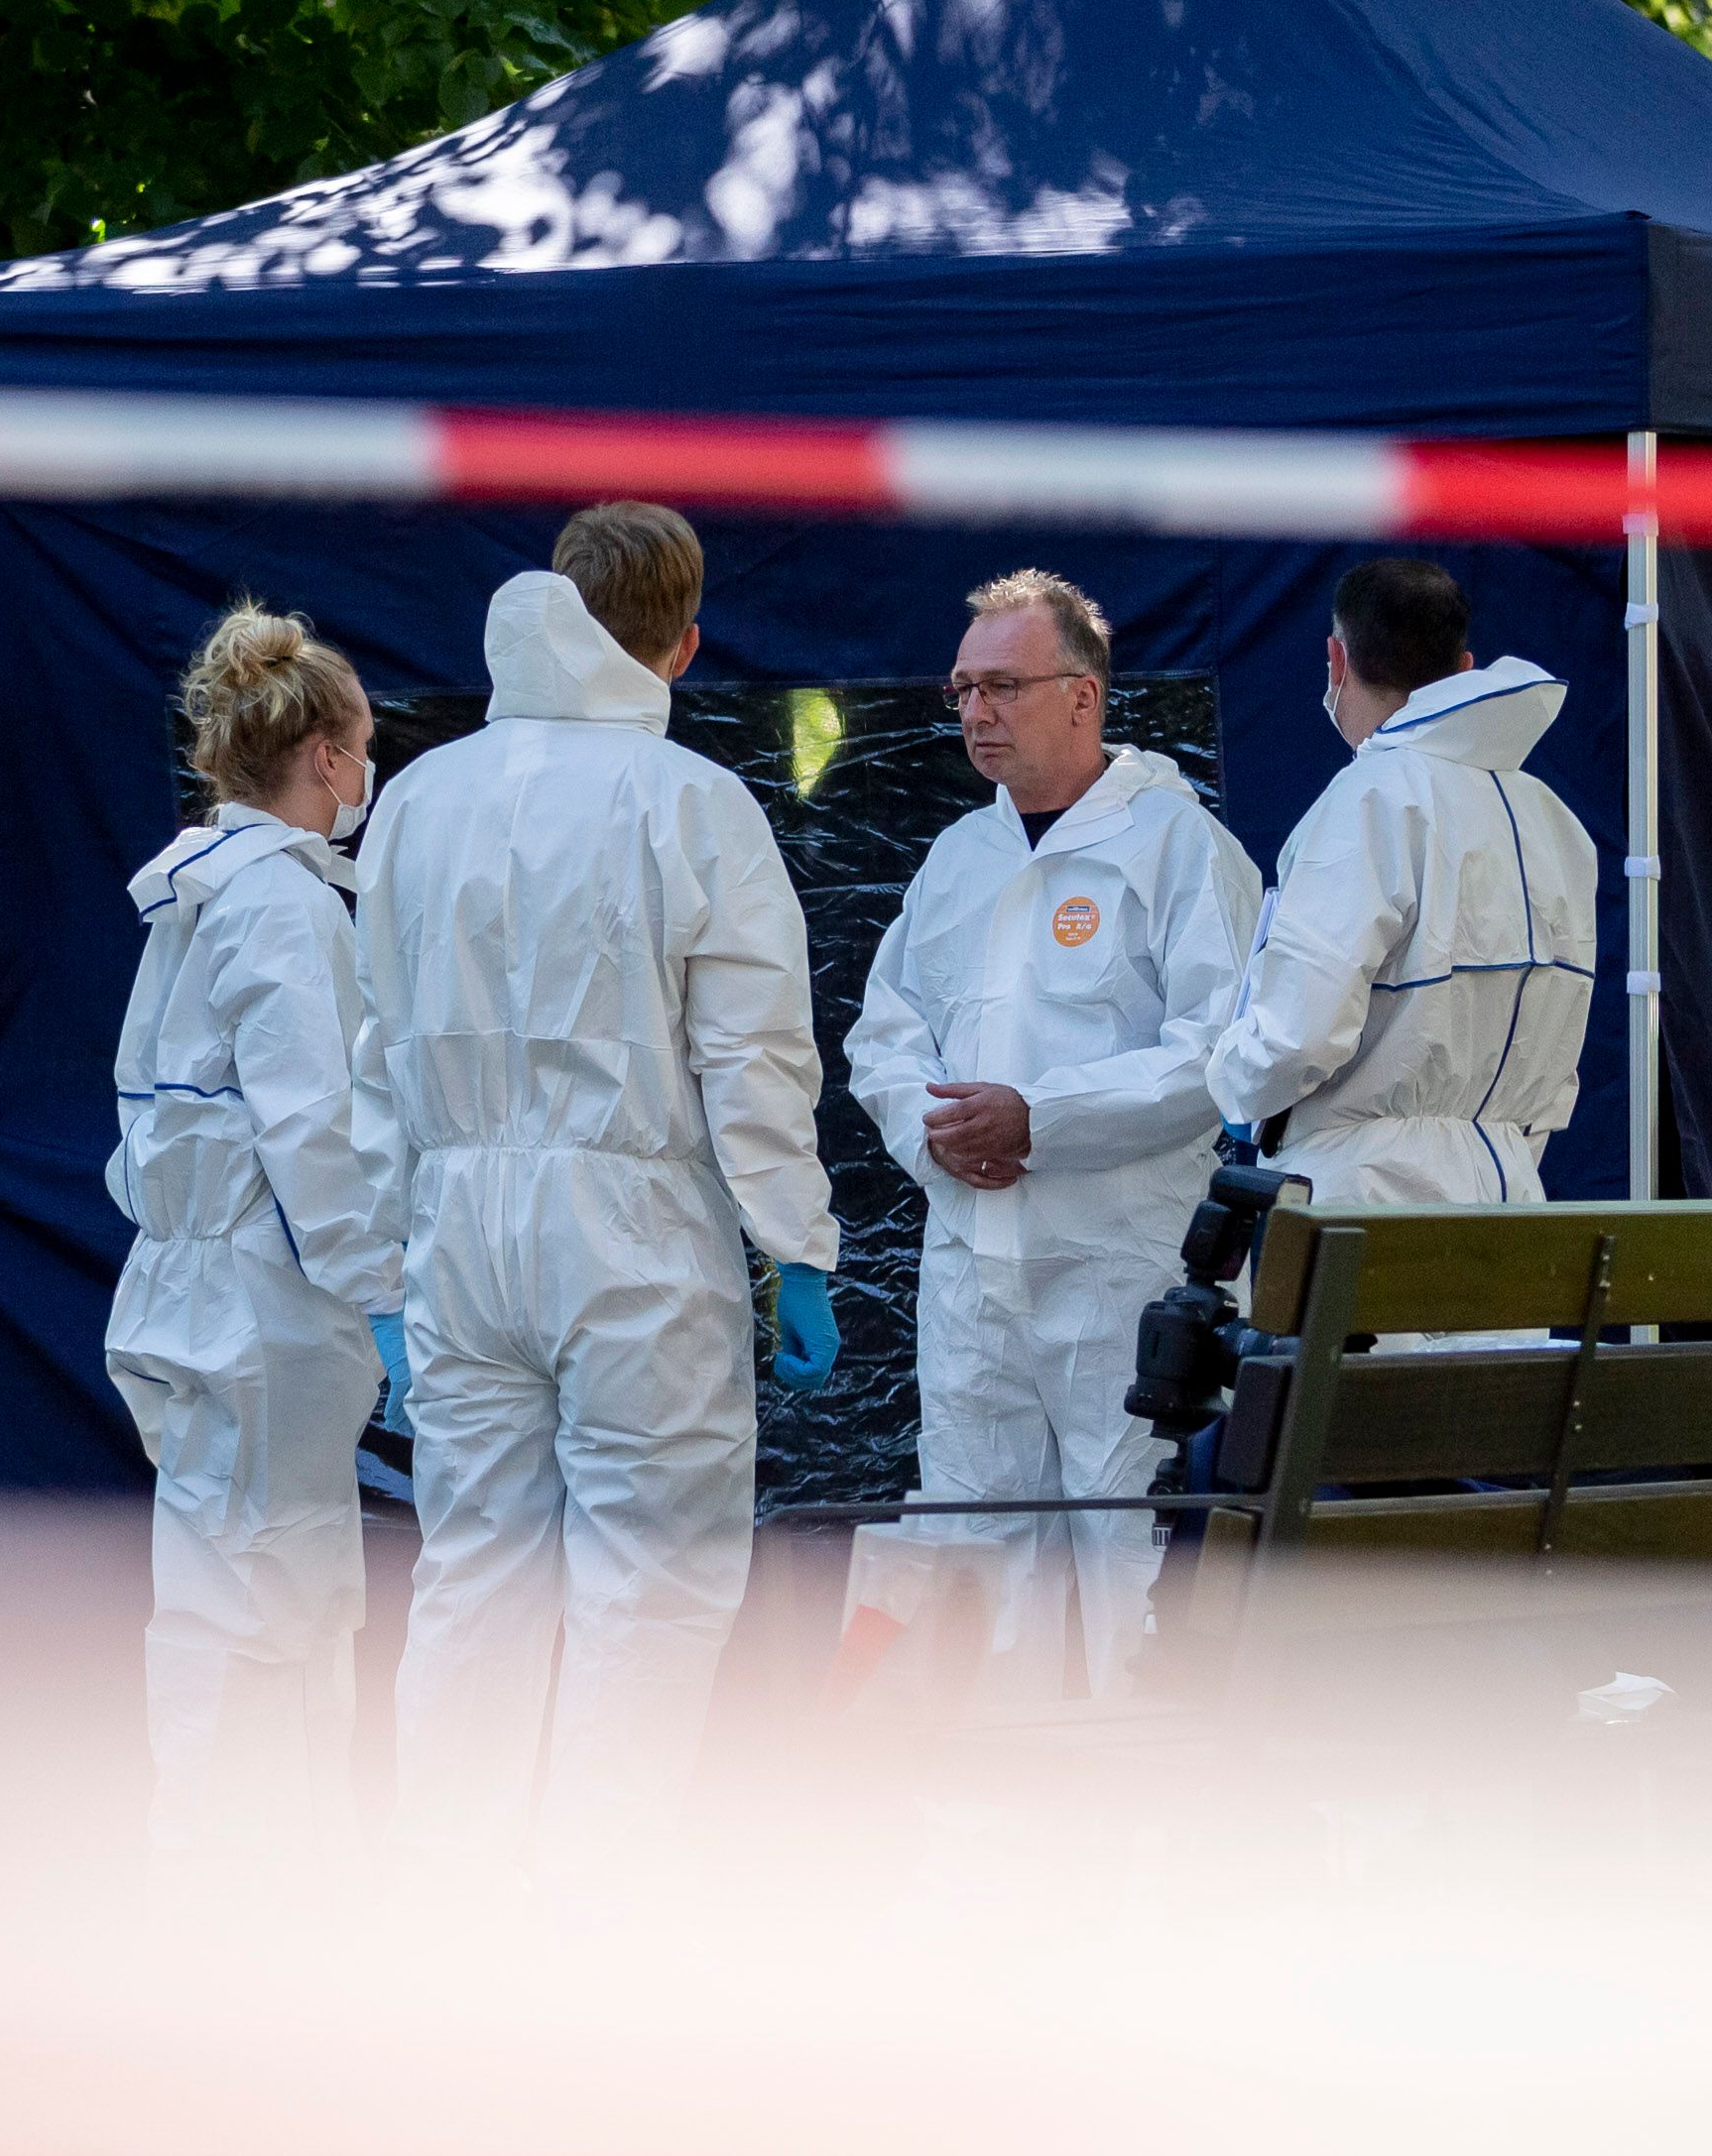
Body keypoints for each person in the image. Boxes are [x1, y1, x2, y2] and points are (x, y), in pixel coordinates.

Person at [357, 502, 834, 1873]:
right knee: (649, 1591)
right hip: (633, 1236)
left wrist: (385, 1271)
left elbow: (367, 1051)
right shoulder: (690, 800)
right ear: (681, 647)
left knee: (472, 1587)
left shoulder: (417, 796)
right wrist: (793, 1245)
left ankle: (447, 1918)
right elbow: (751, 1055)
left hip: (455, 1235)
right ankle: (596, 1929)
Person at [839, 569, 1261, 1706]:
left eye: (1003, 686)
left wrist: (1045, 1121)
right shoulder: (957, 861)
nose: (976, 712)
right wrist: (936, 1136)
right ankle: (981, 1846)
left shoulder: (1178, 847)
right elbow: (883, 1033)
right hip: (975, 1268)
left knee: (1135, 1563)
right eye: (963, 687)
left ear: (1083, 694)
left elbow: (1219, 1049)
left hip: (1121, 1272)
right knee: (968, 1557)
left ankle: (1148, 1840)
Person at [105, 606, 400, 1858]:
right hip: (263, 1302)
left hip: (184, 1280)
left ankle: (231, 1862)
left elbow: (156, 1118)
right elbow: (311, 1129)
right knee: (274, 1592)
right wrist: (380, 1283)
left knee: (218, 1585)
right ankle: (255, 1877)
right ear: (327, 757)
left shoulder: (192, 892)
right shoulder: (281, 905)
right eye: (366, 748)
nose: (369, 774)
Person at [1208, 556, 1601, 1200]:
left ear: (1336, 661)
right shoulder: (1554, 821)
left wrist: (1231, 1082)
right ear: (1465, 668)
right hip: (1510, 1188)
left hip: (1361, 1191)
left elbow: (1296, 1034)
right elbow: (1557, 1055)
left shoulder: (1367, 798)